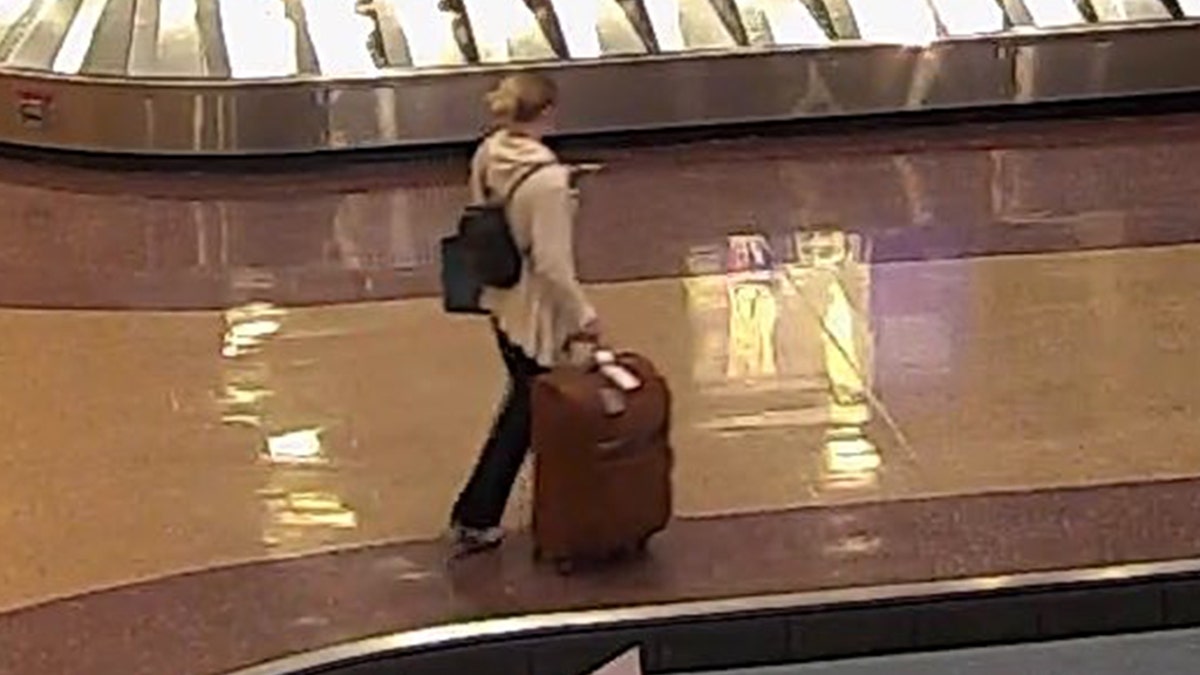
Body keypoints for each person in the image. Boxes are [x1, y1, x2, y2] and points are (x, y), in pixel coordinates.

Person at [449, 72, 599, 554]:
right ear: (548, 112)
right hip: (536, 312)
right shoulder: (549, 181)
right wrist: (583, 317)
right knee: (528, 413)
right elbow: (553, 266)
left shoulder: (489, 151)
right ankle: (479, 512)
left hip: (499, 297)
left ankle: (489, 510)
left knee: (526, 405)